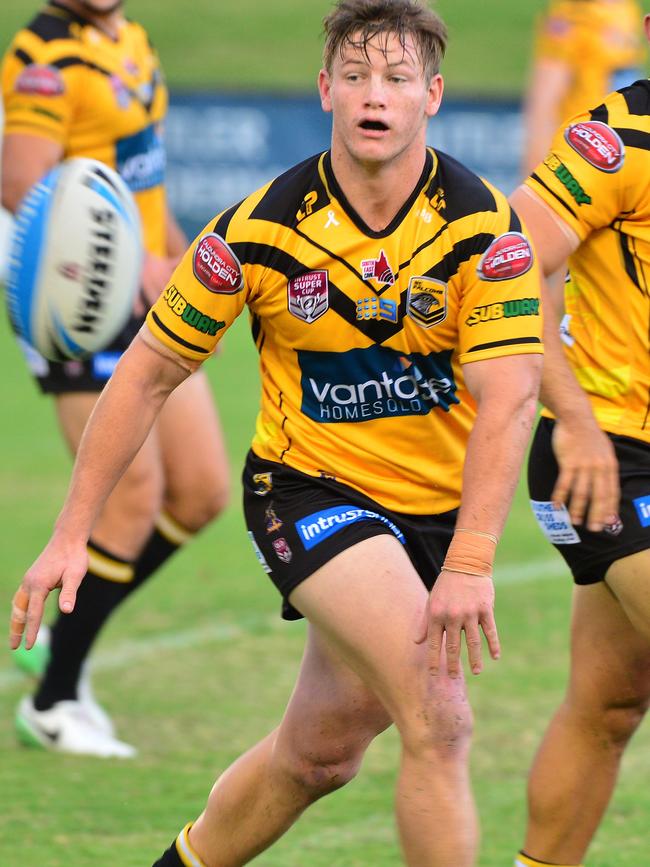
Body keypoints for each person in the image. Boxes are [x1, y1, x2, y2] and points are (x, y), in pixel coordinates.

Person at [10, 1, 544, 863]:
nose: (377, 95)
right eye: (359, 76)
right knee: (440, 716)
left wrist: (470, 555)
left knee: (317, 757)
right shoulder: (258, 228)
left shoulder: (482, 227)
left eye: (398, 78)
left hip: (435, 513)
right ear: (325, 88)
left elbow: (511, 395)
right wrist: (71, 533)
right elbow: (147, 371)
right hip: (310, 494)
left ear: (433, 96)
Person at [1, 0, 230, 758]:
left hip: (148, 293)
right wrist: (132, 263)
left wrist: (190, 270)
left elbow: (145, 172)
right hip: (83, 304)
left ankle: (65, 638)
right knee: (128, 498)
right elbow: (21, 185)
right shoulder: (44, 61)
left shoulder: (129, 38)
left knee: (200, 492)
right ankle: (55, 696)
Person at [509, 14, 650, 867]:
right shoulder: (617, 138)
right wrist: (577, 417)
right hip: (606, 456)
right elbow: (509, 261)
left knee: (609, 704)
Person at [521, 0, 646, 177]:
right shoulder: (571, 15)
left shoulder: (627, 8)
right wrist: (535, 176)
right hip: (582, 154)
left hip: (623, 155)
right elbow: (542, 106)